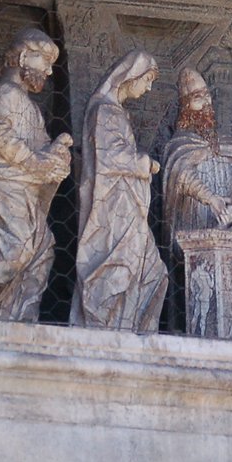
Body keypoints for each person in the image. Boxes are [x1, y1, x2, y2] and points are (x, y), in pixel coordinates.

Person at [0, 28, 72, 321]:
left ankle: (19, 315)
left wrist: (57, 152)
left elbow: (40, 144)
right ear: (23, 56)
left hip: (22, 188)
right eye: (44, 60)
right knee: (19, 247)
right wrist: (35, 161)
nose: (49, 70)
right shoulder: (7, 93)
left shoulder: (30, 107)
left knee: (42, 249)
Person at [71, 50, 166, 332]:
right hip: (113, 208)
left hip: (128, 204)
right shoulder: (104, 110)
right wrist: (143, 162)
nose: (148, 87)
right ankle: (103, 325)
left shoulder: (116, 112)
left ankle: (129, 327)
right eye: (147, 80)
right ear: (130, 76)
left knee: (154, 272)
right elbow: (109, 157)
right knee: (120, 267)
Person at [161, 68, 232, 246]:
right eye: (197, 97)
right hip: (194, 225)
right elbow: (182, 174)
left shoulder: (230, 145)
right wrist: (211, 198)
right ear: (185, 106)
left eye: (207, 95)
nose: (206, 102)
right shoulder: (180, 145)